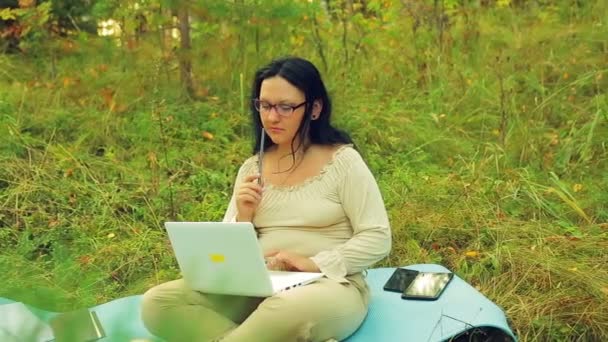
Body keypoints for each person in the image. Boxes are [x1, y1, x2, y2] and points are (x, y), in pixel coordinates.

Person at [141, 57, 391, 342]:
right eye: (264, 105)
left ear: (314, 108)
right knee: (157, 303)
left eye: (285, 107)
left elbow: (377, 237)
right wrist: (244, 217)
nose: (272, 117)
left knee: (282, 309)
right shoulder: (251, 168)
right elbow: (225, 257)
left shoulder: (343, 161)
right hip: (257, 285)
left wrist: (315, 263)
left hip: (327, 286)